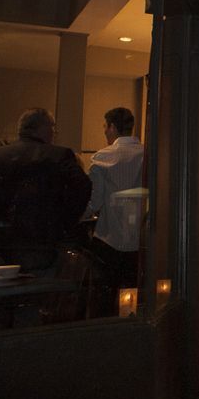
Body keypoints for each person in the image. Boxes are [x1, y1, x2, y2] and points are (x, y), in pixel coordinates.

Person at [0, 108, 91, 273]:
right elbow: (83, 187)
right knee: (39, 284)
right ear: (45, 128)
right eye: (53, 129)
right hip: (39, 241)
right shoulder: (58, 155)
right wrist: (64, 221)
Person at [85, 107, 144, 314]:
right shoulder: (148, 154)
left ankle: (108, 326)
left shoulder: (103, 157)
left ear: (112, 127)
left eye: (105, 126)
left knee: (105, 294)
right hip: (140, 239)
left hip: (109, 238)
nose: (104, 131)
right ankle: (129, 322)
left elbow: (94, 202)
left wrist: (79, 216)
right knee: (133, 294)